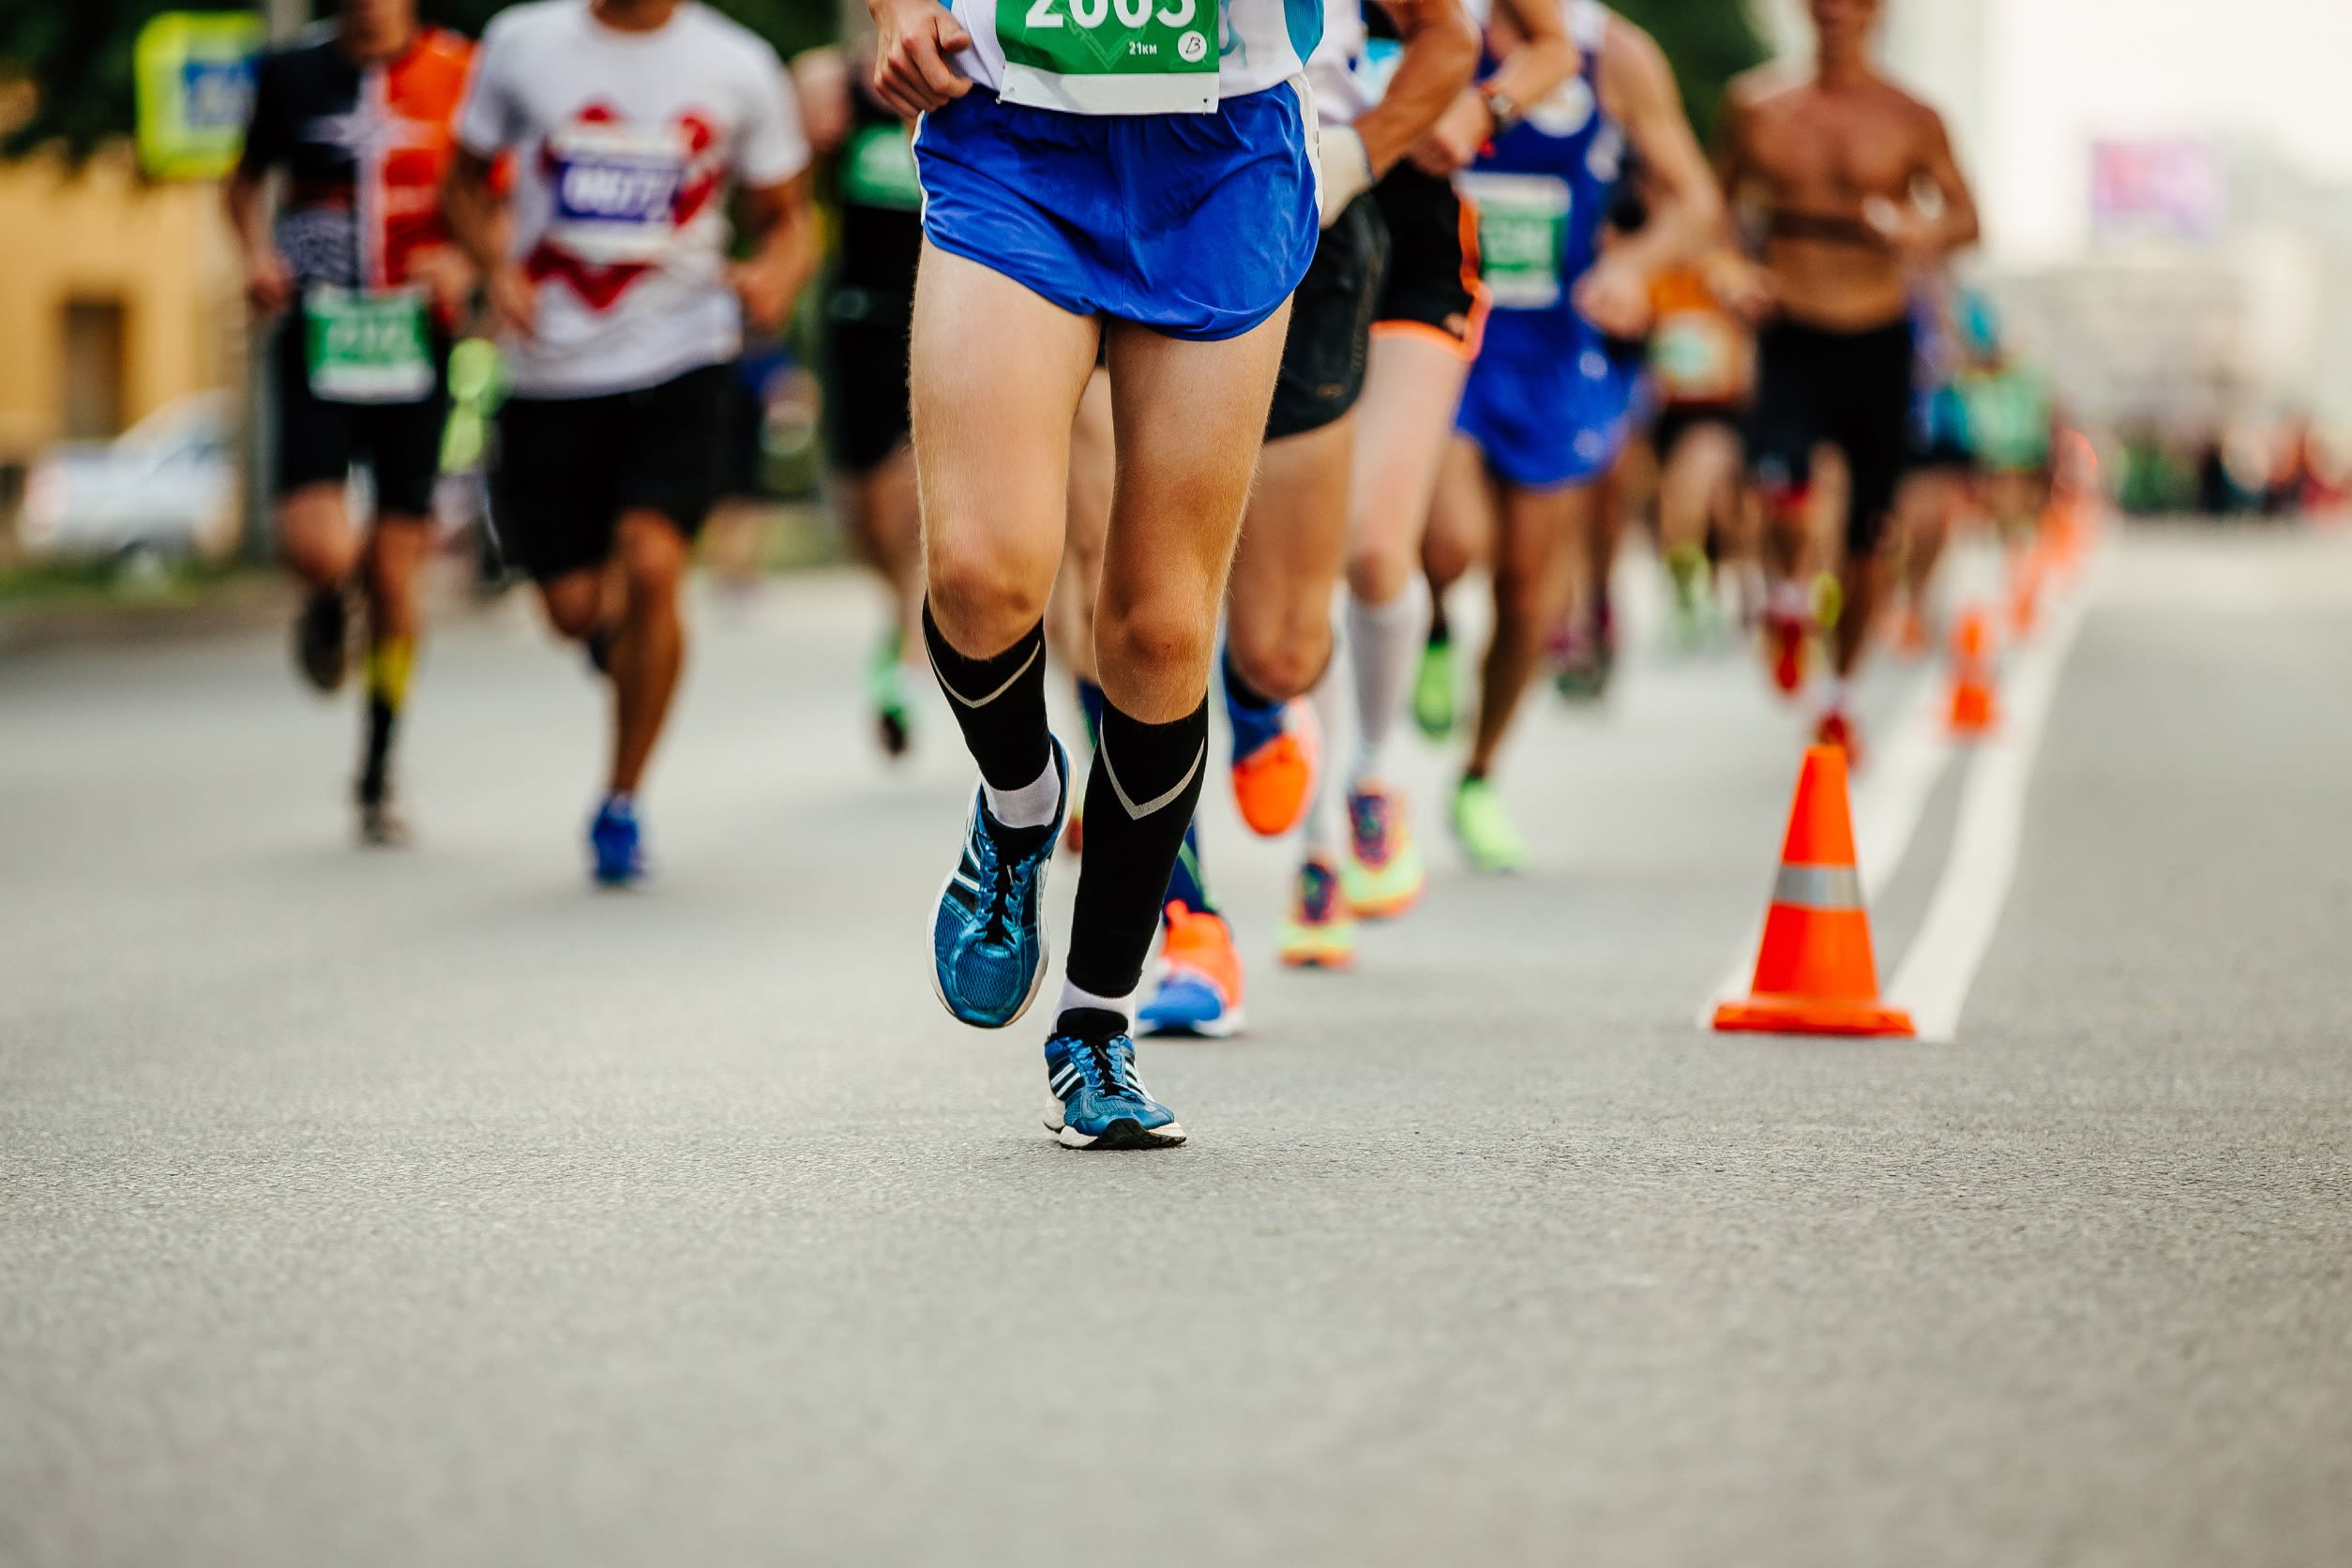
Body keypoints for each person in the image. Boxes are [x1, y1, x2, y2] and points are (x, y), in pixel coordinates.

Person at [871, 0, 1323, 1146]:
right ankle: (1021, 804)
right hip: (1011, 123)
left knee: (1162, 631)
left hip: (1221, 144)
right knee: (979, 572)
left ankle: (1095, 1020)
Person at [1118, 0, 1477, 1031]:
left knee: (1290, 631)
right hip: (1074, 197)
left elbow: (1455, 38)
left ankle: (1276, 705)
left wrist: (1361, 156)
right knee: (1107, 591)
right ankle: (1187, 925)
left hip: (1295, 202)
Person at [442, 0, 818, 885]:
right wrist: (496, 270)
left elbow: (789, 219)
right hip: (549, 368)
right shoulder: (522, 45)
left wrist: (777, 280)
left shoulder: (738, 64)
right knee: (573, 610)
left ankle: (621, 799)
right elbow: (462, 180)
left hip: (683, 353)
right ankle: (637, 649)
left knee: (652, 564)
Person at [1269, 0, 1576, 970]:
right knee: (1294, 564)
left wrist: (1479, 110)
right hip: (1281, 201)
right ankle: (1314, 851)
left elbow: (1555, 46)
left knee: (1370, 545)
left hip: (1416, 231)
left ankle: (1369, 777)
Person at [1421, 0, 1719, 872]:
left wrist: (1631, 267)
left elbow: (1696, 202)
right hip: (1444, 327)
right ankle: (1431, 626)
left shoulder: (1615, 54)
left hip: (1556, 353)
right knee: (1447, 541)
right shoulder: (1436, 23)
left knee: (1527, 589)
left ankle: (1478, 774)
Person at [225, 0, 477, 847]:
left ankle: (376, 767)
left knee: (397, 573)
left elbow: (495, 191)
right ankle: (328, 601)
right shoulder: (292, 71)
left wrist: (469, 261)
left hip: (416, 336)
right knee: (320, 548)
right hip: (320, 329)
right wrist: (255, 257)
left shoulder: (459, 72)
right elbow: (241, 182)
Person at [1716, 0, 1979, 761]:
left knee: (1871, 531)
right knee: (1785, 489)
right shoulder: (1757, 105)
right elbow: (1714, 207)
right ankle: (1790, 600)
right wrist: (1730, 273)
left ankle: (1840, 698)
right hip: (1790, 320)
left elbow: (1968, 217)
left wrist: (1915, 230)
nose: (1836, 13)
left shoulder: (1913, 116)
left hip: (1877, 327)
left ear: (1878, 13)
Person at [793, 33, 927, 757]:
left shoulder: (961, 82)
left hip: (931, 320)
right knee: (862, 523)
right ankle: (899, 614)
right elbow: (791, 192)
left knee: (906, 517)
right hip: (851, 326)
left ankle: (901, 681)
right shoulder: (841, 92)